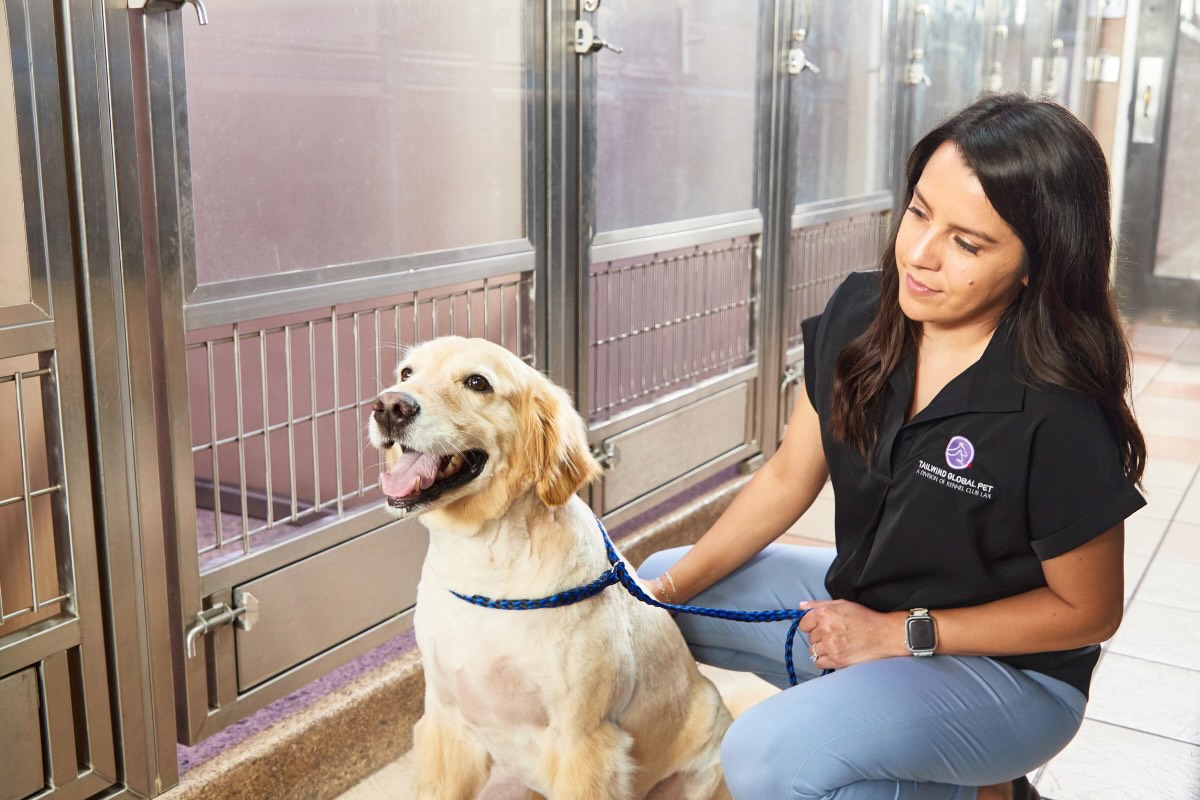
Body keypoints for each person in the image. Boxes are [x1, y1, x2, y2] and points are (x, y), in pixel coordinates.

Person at [639, 93, 1146, 800]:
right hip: (870, 610)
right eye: (918, 212)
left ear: (1038, 263)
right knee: (666, 593)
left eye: (967, 243)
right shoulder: (861, 311)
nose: (922, 254)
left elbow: (1090, 612)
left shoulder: (1057, 407)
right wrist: (655, 595)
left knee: (771, 756)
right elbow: (789, 474)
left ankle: (979, 780)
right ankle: (939, 767)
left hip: (1009, 673)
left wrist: (898, 635)